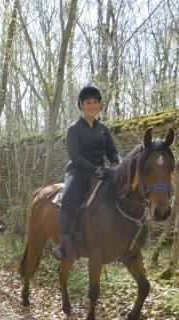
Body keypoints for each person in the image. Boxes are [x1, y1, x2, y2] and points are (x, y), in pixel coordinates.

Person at [51, 85, 122, 260]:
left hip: (102, 172)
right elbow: (75, 157)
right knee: (68, 198)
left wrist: (120, 164)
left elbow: (112, 152)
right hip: (79, 171)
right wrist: (94, 168)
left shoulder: (103, 129)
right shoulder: (74, 128)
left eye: (95, 102)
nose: (92, 105)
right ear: (81, 105)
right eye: (88, 102)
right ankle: (63, 244)